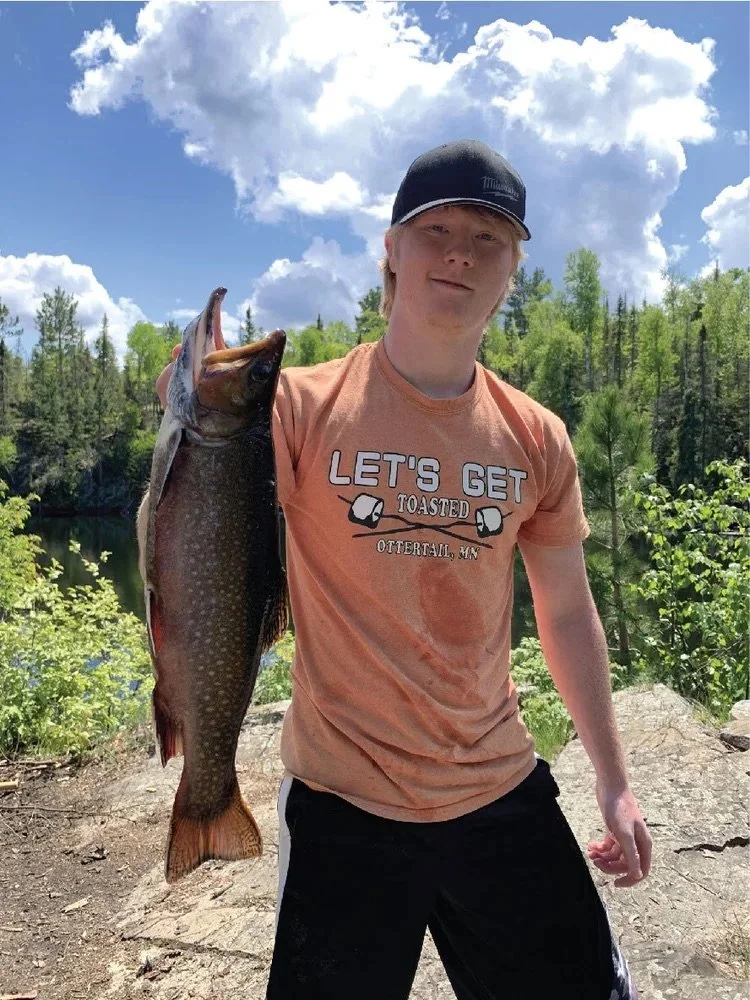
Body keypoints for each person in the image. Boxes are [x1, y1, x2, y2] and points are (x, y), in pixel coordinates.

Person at [155, 139, 652, 999]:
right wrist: (186, 405)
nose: (461, 250)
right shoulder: (297, 407)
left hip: (498, 785)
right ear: (390, 249)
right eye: (436, 228)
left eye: (489, 238)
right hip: (342, 801)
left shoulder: (536, 436)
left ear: (514, 271)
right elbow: (204, 523)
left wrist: (613, 781)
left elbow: (568, 614)